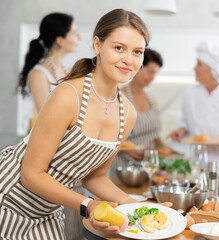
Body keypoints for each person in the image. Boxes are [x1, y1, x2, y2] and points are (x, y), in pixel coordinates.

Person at [0, 9, 169, 239]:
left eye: (137, 52)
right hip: (9, 198)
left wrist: (139, 206)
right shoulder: (68, 95)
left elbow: (95, 177)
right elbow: (31, 174)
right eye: (119, 48)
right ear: (98, 45)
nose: (129, 60)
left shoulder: (127, 113)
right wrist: (89, 205)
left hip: (48, 209)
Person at [168, 42, 219, 167]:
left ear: (214, 71)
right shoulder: (189, 94)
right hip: (197, 163)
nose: (194, 68)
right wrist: (181, 130)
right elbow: (185, 121)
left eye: (199, 65)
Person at [17, 12, 81, 131]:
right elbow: (47, 120)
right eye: (75, 34)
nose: (80, 37)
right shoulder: (38, 75)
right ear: (60, 40)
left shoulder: (67, 71)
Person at [113, 48, 171, 169]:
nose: (153, 77)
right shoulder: (119, 98)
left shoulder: (152, 99)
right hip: (125, 167)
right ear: (138, 68)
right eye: (150, 72)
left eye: (155, 73)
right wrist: (124, 150)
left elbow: (154, 134)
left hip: (150, 166)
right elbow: (107, 136)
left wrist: (164, 149)